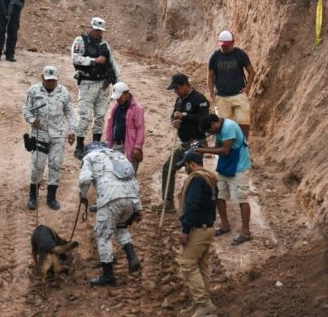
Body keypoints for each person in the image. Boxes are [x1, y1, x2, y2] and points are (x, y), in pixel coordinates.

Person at [78, 141, 143, 286]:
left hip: (110, 199)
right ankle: (132, 257)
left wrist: (82, 196)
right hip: (130, 198)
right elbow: (132, 177)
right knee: (120, 227)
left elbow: (85, 180)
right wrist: (139, 207)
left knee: (103, 234)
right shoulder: (119, 155)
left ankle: (108, 276)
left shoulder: (89, 157)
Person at [154, 73, 210, 213]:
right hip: (184, 143)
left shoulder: (199, 99)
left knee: (194, 173)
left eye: (177, 88)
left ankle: (199, 206)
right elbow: (173, 115)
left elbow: (204, 119)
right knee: (168, 167)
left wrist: (184, 116)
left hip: (197, 142)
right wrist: (174, 122)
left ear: (185, 85)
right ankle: (168, 202)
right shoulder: (179, 100)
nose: (175, 91)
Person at [22, 66, 76, 210]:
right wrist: (32, 120)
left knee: (55, 165)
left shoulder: (64, 92)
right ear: (42, 78)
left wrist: (72, 130)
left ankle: (51, 197)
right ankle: (33, 196)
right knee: (37, 165)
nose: (51, 83)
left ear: (57, 79)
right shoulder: (34, 91)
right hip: (40, 135)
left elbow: (70, 112)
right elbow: (26, 109)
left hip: (58, 135)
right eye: (48, 80)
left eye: (53, 80)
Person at [197, 114, 252, 246]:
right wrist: (204, 148)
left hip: (239, 167)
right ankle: (224, 224)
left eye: (210, 131)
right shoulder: (219, 128)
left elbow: (225, 150)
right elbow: (218, 147)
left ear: (214, 124)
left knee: (242, 198)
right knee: (219, 195)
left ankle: (246, 232)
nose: (210, 134)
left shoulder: (228, 127)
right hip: (226, 167)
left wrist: (204, 150)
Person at [175, 150, 218, 317]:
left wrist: (185, 231)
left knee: (187, 263)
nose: (184, 170)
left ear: (191, 164)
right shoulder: (210, 179)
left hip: (198, 229)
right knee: (202, 266)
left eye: (185, 166)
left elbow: (192, 205)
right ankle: (198, 305)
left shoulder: (197, 180)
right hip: (208, 228)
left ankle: (204, 304)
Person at [71, 17, 121, 159]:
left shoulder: (105, 44)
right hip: (87, 83)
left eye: (101, 31)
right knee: (85, 116)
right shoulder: (80, 41)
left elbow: (113, 63)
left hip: (103, 84)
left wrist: (118, 83)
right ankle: (79, 146)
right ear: (92, 28)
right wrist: (93, 61)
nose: (99, 33)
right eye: (97, 30)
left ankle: (96, 145)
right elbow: (75, 58)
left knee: (100, 116)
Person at [207, 30, 256, 138]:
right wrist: (211, 94)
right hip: (221, 97)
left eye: (227, 45)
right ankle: (225, 151)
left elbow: (251, 72)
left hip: (239, 95)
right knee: (223, 128)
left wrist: (247, 87)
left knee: (244, 123)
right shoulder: (215, 57)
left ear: (233, 42)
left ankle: (243, 147)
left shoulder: (240, 54)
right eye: (223, 45)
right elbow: (210, 77)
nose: (225, 47)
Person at [105, 82, 145, 172]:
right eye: (117, 98)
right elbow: (110, 126)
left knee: (129, 175)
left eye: (120, 97)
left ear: (127, 94)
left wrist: (137, 147)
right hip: (116, 146)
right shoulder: (115, 108)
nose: (118, 100)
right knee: (115, 174)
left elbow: (140, 129)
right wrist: (108, 143)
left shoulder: (137, 109)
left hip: (129, 147)